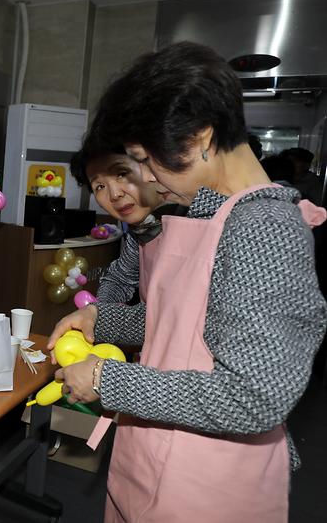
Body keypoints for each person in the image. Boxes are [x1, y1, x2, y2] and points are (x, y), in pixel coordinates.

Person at [48, 41, 327, 522]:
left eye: (144, 158)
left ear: (197, 137)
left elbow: (253, 396)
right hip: (153, 455)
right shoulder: (217, 214)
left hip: (203, 487)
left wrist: (105, 379)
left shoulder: (264, 226)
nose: (147, 179)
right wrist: (102, 318)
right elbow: (184, 324)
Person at [70, 143, 181, 304]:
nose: (114, 194)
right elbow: (120, 278)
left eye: (121, 174)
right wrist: (98, 311)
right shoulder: (141, 230)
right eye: (100, 186)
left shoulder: (194, 218)